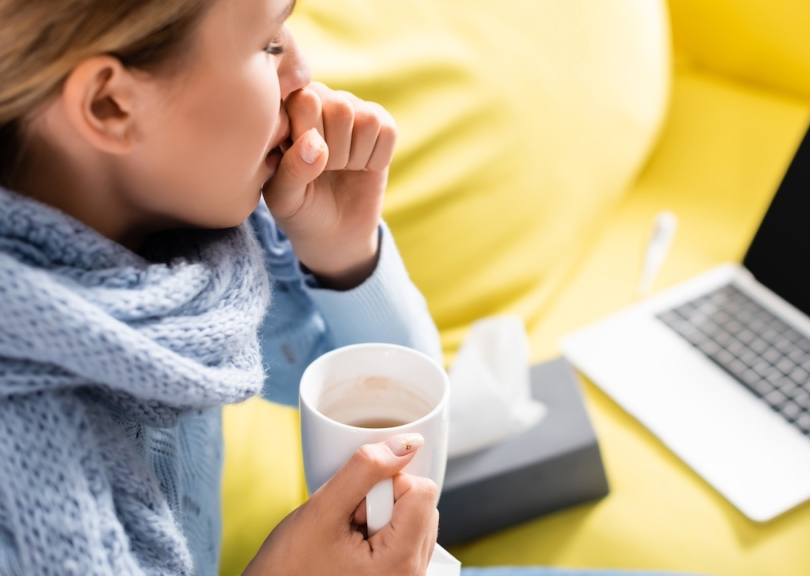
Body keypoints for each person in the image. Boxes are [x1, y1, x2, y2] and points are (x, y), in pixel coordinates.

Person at [0, 0, 699, 574]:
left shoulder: (190, 256)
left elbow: (409, 414)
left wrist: (343, 252)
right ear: (110, 105)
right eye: (270, 43)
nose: (304, 73)